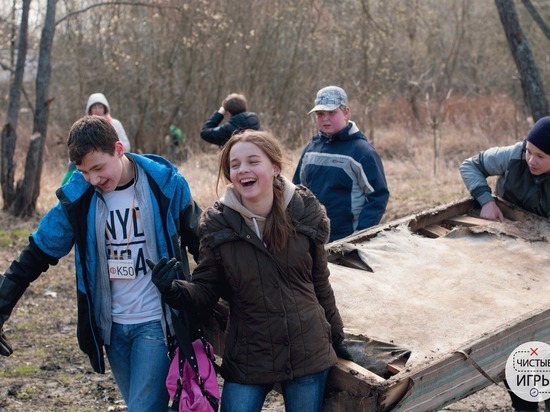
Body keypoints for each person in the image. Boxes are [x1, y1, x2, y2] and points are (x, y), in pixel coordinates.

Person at [0, 116, 202, 411]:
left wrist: (213, 297)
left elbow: (203, 246)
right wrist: (2, 308)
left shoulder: (166, 186)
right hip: (111, 328)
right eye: (83, 172)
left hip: (156, 322)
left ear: (119, 149)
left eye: (98, 168)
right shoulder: (79, 199)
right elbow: (37, 254)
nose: (93, 179)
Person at [147, 130, 352, 412]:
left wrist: (338, 337)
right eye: (235, 165)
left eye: (253, 161)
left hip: (308, 350)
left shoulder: (304, 210)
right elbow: (206, 292)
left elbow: (320, 283)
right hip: (249, 354)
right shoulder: (218, 225)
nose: (243, 169)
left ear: (275, 167)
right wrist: (173, 289)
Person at [460, 115, 550, 412]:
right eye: (529, 151)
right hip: (506, 256)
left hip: (545, 265)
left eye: (540, 156)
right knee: (516, 343)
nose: (531, 160)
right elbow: (470, 164)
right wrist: (485, 199)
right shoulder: (514, 155)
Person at [293, 85, 389, 242]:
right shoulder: (311, 149)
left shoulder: (363, 152)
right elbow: (297, 189)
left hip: (346, 241)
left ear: (346, 113)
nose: (325, 118)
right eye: (320, 113)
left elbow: (377, 197)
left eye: (331, 112)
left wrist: (359, 236)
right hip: (312, 239)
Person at [62, 93, 131, 185]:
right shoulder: (83, 126)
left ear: (105, 108)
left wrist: (109, 149)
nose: (97, 110)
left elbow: (126, 144)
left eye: (100, 107)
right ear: (90, 110)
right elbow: (75, 146)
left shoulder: (115, 124)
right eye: (94, 107)